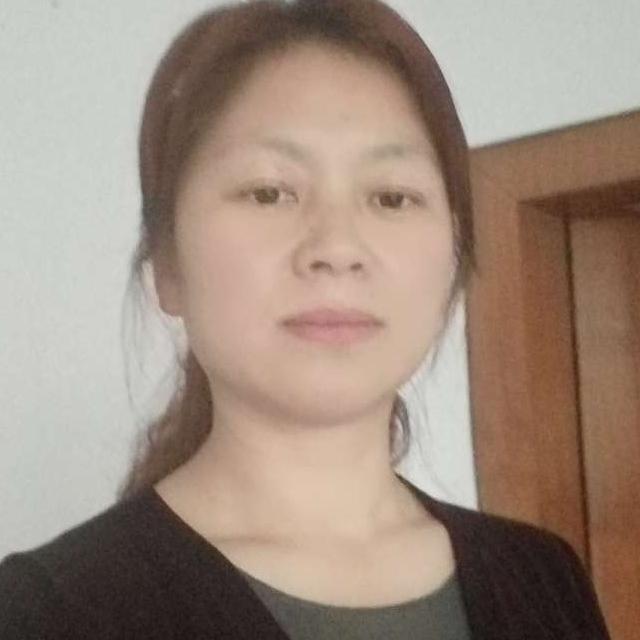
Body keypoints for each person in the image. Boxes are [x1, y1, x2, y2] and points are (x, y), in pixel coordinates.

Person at [0, 0, 612, 638]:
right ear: (168, 263)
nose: (337, 247)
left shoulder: (544, 578)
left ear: (454, 257)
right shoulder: (51, 612)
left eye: (391, 197)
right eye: (269, 192)